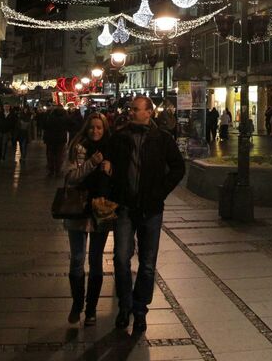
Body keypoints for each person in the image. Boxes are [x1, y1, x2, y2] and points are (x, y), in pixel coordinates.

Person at [108, 95, 185, 334]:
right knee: (121, 258)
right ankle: (125, 306)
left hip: (151, 209)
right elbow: (109, 163)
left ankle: (140, 310)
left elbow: (178, 167)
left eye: (135, 109)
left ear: (148, 112)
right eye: (131, 109)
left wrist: (160, 192)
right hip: (125, 207)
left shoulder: (162, 139)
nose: (131, 112)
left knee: (148, 263)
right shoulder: (120, 137)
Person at [63, 113, 112, 325]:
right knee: (77, 259)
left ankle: (91, 309)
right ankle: (77, 304)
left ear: (105, 129)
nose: (95, 131)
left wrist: (111, 170)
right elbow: (70, 177)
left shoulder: (111, 150)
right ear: (86, 128)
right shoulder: (78, 148)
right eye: (92, 127)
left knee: (96, 260)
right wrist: (92, 163)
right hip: (78, 208)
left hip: (102, 208)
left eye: (99, 127)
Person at [43, 105, 70, 176]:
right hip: (61, 139)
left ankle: (51, 171)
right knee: (59, 155)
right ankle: (58, 170)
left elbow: (45, 126)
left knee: (51, 155)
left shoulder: (50, 117)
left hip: (51, 139)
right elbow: (70, 126)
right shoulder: (65, 117)